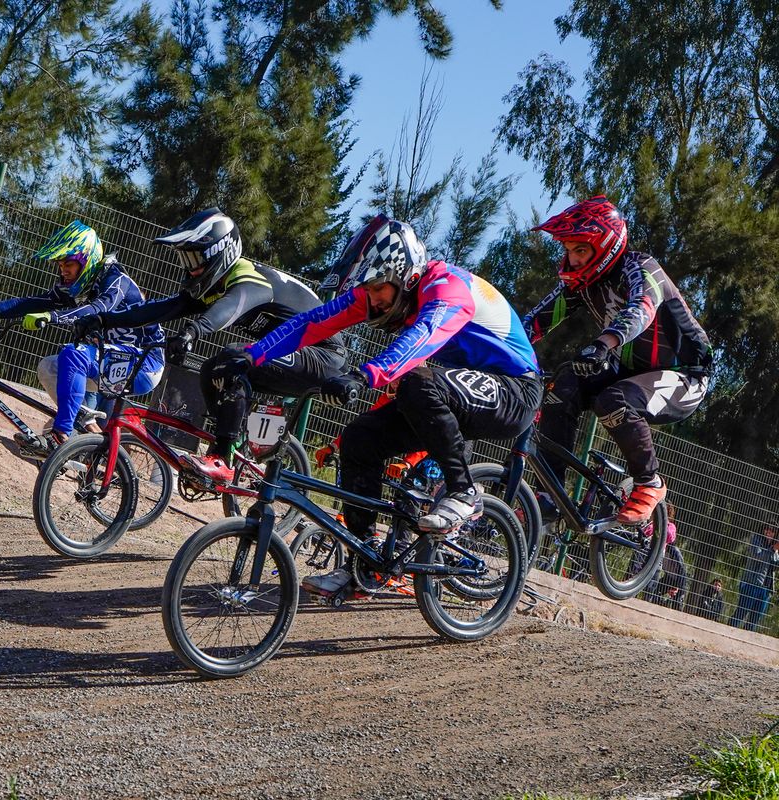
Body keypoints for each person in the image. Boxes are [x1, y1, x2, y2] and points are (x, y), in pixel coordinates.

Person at [233, 214, 542, 595]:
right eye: (368, 289)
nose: (373, 299)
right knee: (360, 439)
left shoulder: (448, 287)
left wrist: (366, 374)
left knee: (416, 382)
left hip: (515, 391)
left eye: (378, 287)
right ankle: (366, 562)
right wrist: (252, 355)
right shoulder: (383, 292)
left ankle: (464, 493)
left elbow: (422, 338)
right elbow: (310, 324)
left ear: (405, 276)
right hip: (458, 394)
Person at [74, 208, 348, 484]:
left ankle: (221, 458)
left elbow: (231, 307)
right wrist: (102, 319)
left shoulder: (247, 276)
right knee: (211, 368)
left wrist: (193, 331)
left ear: (220, 253)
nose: (189, 267)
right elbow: (156, 310)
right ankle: (225, 447)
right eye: (186, 259)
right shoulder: (215, 283)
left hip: (323, 356)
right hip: (287, 353)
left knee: (232, 359)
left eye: (195, 258)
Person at [523, 195, 712, 525]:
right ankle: (548, 495)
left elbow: (641, 310)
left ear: (606, 245)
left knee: (614, 400)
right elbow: (534, 321)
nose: (572, 259)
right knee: (560, 388)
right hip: (628, 368)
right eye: (567, 250)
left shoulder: (641, 268)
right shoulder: (581, 283)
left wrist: (602, 344)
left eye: (580, 250)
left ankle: (650, 483)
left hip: (685, 374)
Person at [0, 220, 165, 455]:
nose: (63, 270)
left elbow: (98, 308)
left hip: (144, 364)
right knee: (49, 366)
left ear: (87, 259)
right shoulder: (76, 286)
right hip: (112, 361)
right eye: (60, 264)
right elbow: (26, 303)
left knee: (72, 353)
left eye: (69, 263)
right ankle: (85, 428)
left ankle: (61, 435)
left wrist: (52, 317)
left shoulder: (116, 279)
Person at [729, 522, 779, 632]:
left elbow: (776, 565)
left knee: (754, 620)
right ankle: (727, 633)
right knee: (741, 613)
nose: (768, 532)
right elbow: (757, 556)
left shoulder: (775, 547)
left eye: (772, 531)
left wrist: (775, 550)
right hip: (751, 584)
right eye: (767, 529)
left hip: (766, 588)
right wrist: (772, 550)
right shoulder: (756, 540)